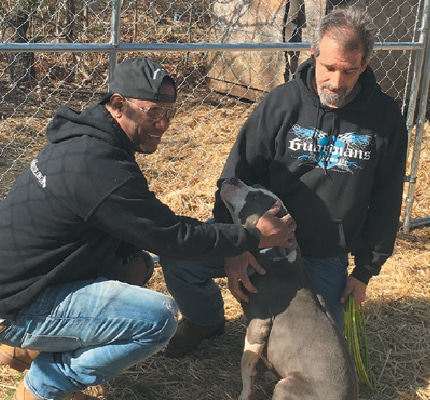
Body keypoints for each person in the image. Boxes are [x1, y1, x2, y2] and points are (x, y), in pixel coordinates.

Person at [0, 57, 295, 400]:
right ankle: (47, 381)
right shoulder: (100, 167)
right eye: (153, 113)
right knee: (158, 319)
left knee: (136, 265)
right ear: (119, 105)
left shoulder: (86, 137)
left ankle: (27, 350)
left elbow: (142, 230)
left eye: (169, 113)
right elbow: (172, 236)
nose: (163, 124)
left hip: (11, 286)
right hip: (13, 307)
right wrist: (253, 237)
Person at [160, 6, 408, 357]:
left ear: (364, 65)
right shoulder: (282, 103)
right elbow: (236, 175)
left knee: (317, 353)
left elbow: (386, 199)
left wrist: (365, 271)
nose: (337, 82)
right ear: (313, 54)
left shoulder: (385, 119)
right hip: (259, 236)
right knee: (180, 259)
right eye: (330, 68)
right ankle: (205, 321)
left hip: (321, 254)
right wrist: (236, 245)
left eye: (350, 71)